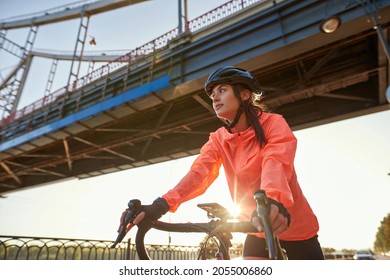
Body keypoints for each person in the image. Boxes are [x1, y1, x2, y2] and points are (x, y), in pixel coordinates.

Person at [119, 66, 325, 260]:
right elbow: (199, 174)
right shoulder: (218, 138)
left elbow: (276, 161)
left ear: (244, 94)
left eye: (222, 90)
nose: (214, 97)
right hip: (256, 228)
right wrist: (160, 205)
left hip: (293, 224)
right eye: (212, 95)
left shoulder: (273, 123)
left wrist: (271, 201)